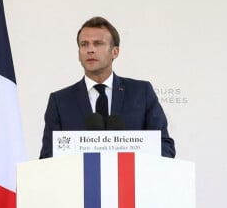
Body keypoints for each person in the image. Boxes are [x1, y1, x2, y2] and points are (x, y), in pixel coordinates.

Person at [40, 16, 175, 158]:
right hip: (80, 179)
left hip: (130, 177)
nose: (90, 50)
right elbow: (48, 156)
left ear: (115, 52)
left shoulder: (141, 93)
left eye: (98, 43)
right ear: (79, 53)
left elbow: (164, 146)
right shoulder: (60, 101)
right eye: (84, 44)